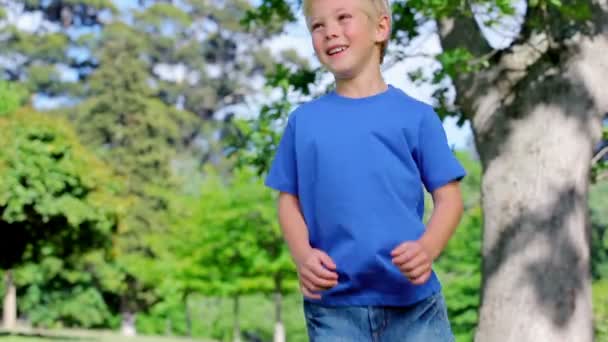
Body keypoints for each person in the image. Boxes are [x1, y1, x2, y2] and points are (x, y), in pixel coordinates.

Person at [264, 0, 465, 340]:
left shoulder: (416, 117)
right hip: (333, 308)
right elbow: (288, 202)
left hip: (414, 306)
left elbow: (450, 200)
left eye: (343, 18)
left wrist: (428, 248)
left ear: (381, 28)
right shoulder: (304, 122)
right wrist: (302, 256)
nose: (330, 32)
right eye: (317, 25)